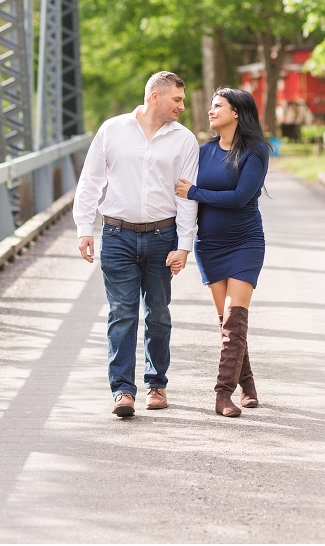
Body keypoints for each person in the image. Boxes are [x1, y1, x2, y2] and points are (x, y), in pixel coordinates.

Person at [74, 71, 199, 418]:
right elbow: (90, 182)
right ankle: (123, 391)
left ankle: (156, 384)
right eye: (177, 99)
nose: (182, 106)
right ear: (155, 97)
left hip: (163, 236)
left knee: (158, 314)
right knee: (122, 313)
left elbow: (188, 197)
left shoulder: (184, 140)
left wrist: (185, 245)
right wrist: (85, 227)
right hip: (117, 235)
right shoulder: (112, 130)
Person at [174, 87, 269, 418]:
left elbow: (241, 196)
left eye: (218, 106)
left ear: (236, 113)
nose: (211, 111)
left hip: (245, 243)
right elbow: (180, 193)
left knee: (234, 318)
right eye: (212, 106)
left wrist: (196, 192)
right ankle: (249, 385)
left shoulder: (255, 152)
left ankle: (222, 394)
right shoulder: (204, 151)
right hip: (210, 246)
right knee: (228, 325)